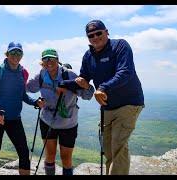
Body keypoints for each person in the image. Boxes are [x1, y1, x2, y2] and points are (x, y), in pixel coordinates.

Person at [76, 20, 145, 175]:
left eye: (98, 33)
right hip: (107, 106)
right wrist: (74, 82)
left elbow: (125, 71)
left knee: (118, 145)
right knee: (108, 148)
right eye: (90, 35)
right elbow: (84, 77)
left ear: (107, 32)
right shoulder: (88, 56)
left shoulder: (120, 46)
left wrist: (103, 87)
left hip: (129, 103)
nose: (95, 37)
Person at [26, 48, 95, 175]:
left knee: (66, 158)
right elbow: (27, 87)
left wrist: (87, 86)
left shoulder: (69, 75)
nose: (49, 62)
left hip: (68, 123)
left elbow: (87, 95)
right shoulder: (41, 75)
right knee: (50, 155)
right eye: (45, 59)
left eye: (52, 59)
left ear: (57, 60)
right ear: (42, 62)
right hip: (47, 120)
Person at [0, 42, 45, 175]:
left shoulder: (22, 72)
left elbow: (22, 95)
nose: (16, 56)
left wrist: (36, 102)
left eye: (19, 53)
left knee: (23, 152)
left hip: (14, 119)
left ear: (22, 55)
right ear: (7, 54)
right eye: (13, 53)